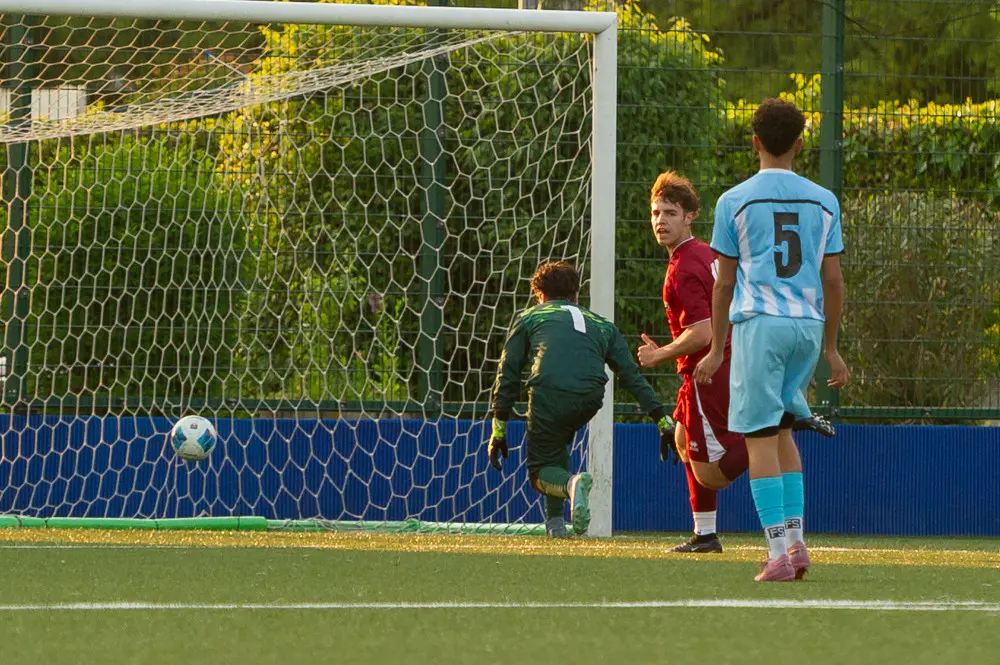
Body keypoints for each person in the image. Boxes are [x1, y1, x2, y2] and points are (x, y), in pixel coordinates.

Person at [693, 98, 850, 582]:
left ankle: (777, 553)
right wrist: (830, 346)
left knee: (759, 438)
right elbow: (834, 280)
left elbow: (723, 284)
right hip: (806, 327)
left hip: (761, 325)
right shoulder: (825, 200)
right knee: (783, 432)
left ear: (755, 142)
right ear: (801, 144)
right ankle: (798, 544)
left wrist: (718, 347)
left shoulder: (734, 200)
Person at [488, 260, 674, 538]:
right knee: (556, 445)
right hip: (589, 398)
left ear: (540, 296)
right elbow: (632, 376)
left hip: (549, 393)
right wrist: (662, 421)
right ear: (576, 295)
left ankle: (570, 485)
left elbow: (508, 374)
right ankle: (556, 526)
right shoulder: (603, 325)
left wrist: (498, 429)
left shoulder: (530, 317)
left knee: (539, 473)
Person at [636, 170, 749, 553]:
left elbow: (703, 332)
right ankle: (705, 535)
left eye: (670, 213)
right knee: (682, 436)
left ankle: (774, 433)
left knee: (713, 475)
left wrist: (660, 354)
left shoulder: (683, 267)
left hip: (710, 368)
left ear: (689, 216)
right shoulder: (705, 252)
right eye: (655, 213)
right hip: (729, 361)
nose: (660, 221)